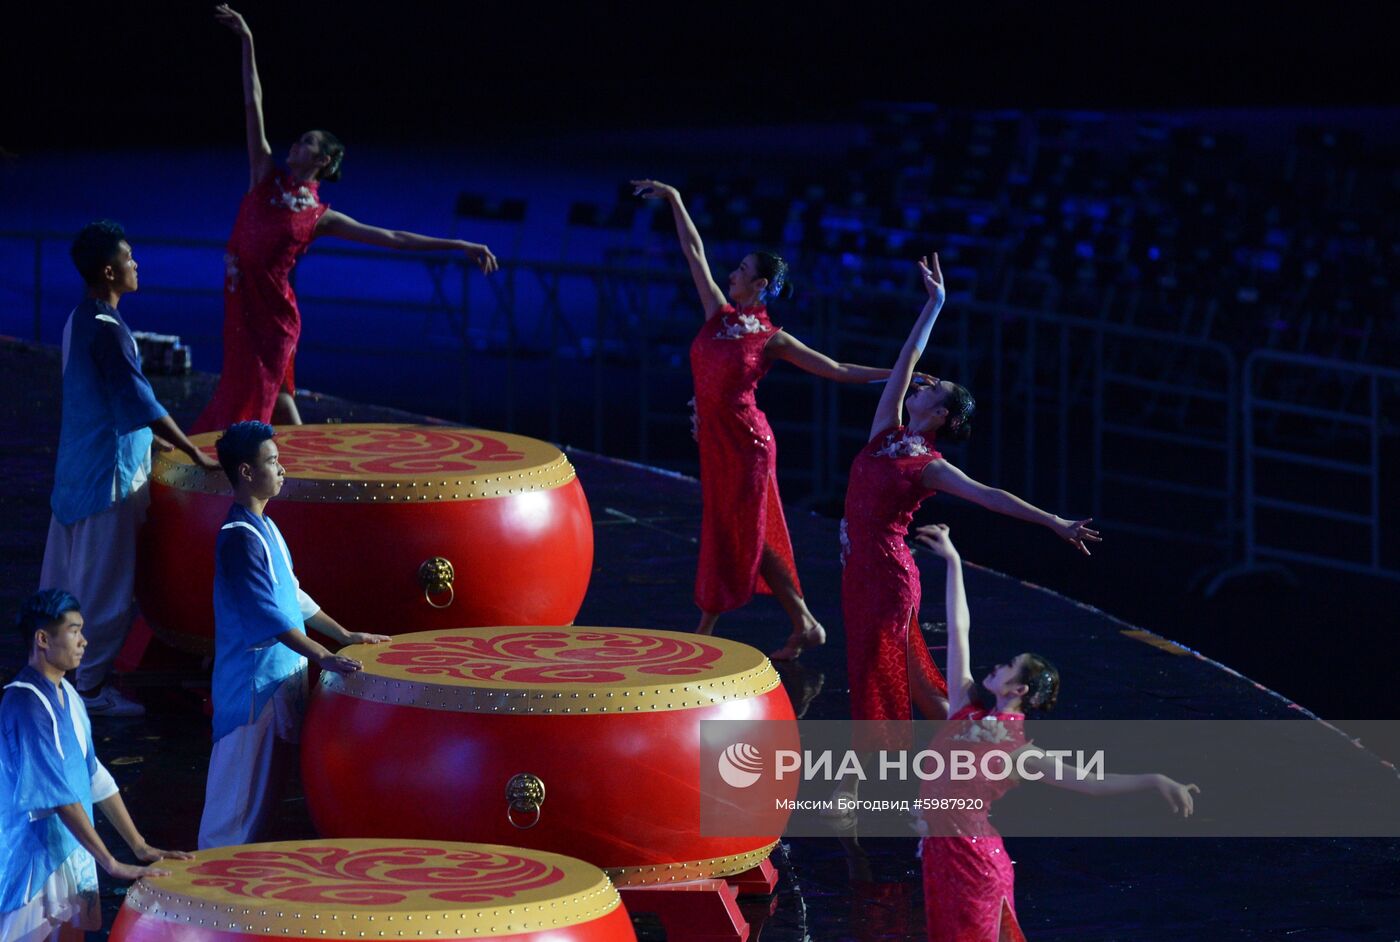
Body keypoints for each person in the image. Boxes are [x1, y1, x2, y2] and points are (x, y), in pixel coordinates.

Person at [192, 5, 500, 433]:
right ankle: (313, 475)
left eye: (306, 142)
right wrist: (247, 40)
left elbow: (393, 237)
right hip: (243, 307)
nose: (294, 145)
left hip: (275, 317)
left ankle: (255, 474)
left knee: (255, 401)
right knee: (276, 400)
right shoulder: (262, 175)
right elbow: (251, 102)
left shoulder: (320, 215)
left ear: (322, 160)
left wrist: (460, 244)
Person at [633, 178, 900, 659]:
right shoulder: (717, 313)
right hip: (715, 441)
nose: (730, 273)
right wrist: (675, 198)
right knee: (750, 531)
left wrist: (901, 372)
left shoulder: (773, 338)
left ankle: (707, 627)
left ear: (760, 285)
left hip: (748, 444)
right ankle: (807, 623)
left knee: (732, 530)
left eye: (741, 270)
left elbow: (836, 369)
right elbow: (693, 251)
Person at [841, 254, 1101, 747]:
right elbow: (906, 360)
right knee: (913, 674)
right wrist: (935, 303)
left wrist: (1053, 522)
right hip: (859, 571)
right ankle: (975, 740)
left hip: (888, 578)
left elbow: (989, 496)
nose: (922, 384)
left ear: (938, 414)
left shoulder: (929, 467)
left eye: (933, 388)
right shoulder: (886, 429)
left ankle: (855, 781)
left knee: (874, 674)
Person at [915, 523, 1197, 942]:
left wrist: (1154, 780)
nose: (996, 665)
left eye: (1008, 665)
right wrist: (953, 561)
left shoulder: (1017, 750)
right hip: (941, 859)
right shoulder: (964, 707)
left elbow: (1092, 784)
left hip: (974, 865)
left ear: (1018, 689)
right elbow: (959, 632)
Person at [41, 220, 221, 718]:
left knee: (64, 582)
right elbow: (138, 402)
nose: (136, 265)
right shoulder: (108, 331)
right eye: (128, 258)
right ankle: (92, 690)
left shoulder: (77, 320)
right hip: (109, 479)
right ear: (108, 270)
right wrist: (192, 452)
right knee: (105, 590)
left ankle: (53, 676)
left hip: (76, 472)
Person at [198, 421, 390, 848]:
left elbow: (291, 595)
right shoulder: (238, 538)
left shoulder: (266, 527)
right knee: (235, 809)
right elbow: (267, 614)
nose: (281, 469)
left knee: (262, 804)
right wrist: (323, 655)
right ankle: (212, 891)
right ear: (246, 472)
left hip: (280, 680)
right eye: (272, 462)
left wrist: (344, 633)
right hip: (252, 688)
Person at [1, 590, 192, 942]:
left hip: (71, 849)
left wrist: (138, 845)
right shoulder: (24, 703)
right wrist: (110, 861)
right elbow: (56, 794)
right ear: (43, 639)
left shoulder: (69, 695)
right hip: (34, 862)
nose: (84, 641)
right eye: (74, 630)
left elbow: (92, 774)